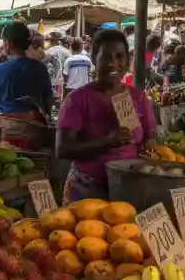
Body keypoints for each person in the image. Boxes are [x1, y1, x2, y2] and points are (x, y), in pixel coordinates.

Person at [56, 28, 157, 202]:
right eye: (106, 57)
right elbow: (62, 149)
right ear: (94, 59)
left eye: (119, 56)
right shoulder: (77, 100)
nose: (113, 63)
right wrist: (107, 140)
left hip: (128, 186)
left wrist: (149, 146)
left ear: (127, 60)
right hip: (87, 189)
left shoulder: (137, 97)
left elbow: (151, 135)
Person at [0, 21, 54, 147]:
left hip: (6, 137)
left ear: (8, 44)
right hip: (34, 134)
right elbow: (48, 102)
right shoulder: (40, 68)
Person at [45, 32, 72, 99]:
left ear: (51, 41)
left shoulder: (47, 52)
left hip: (52, 83)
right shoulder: (67, 52)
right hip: (65, 83)